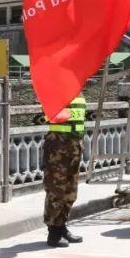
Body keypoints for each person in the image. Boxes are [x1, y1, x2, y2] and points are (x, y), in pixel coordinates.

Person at [43, 95, 87, 247]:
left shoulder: (79, 94)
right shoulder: (57, 90)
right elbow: (49, 114)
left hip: (74, 147)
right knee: (56, 190)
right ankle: (53, 232)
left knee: (70, 191)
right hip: (58, 147)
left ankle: (62, 227)